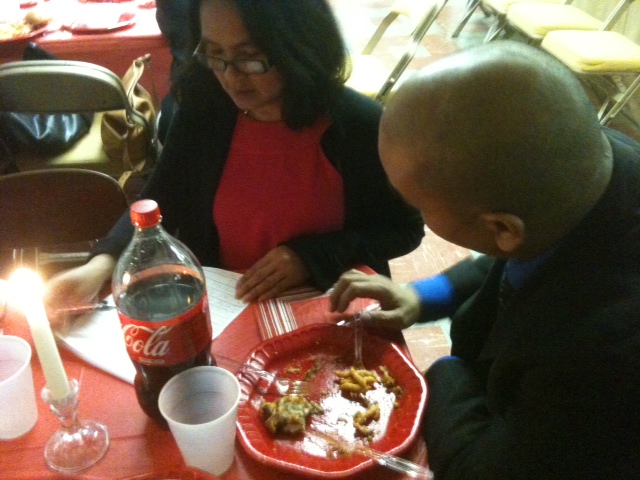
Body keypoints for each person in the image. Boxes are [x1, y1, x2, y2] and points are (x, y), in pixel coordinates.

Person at [329, 41, 640, 479]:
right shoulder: (591, 165)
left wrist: (442, 374)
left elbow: (479, 470)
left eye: (418, 205)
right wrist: (422, 296)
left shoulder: (602, 354)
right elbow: (510, 258)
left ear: (503, 228)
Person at [44, 0, 424, 314]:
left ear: (298, 47)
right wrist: (102, 264)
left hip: (329, 308)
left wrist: (311, 257)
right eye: (215, 54)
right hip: (229, 307)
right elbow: (162, 199)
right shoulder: (206, 111)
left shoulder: (357, 125)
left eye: (251, 58)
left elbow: (403, 230)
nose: (230, 77)